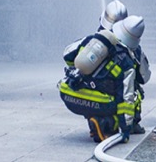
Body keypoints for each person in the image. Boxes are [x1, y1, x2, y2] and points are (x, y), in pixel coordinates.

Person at [58, 15, 142, 143]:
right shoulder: (126, 61)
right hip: (97, 102)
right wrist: (125, 129)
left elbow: (67, 55)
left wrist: (81, 70)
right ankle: (104, 123)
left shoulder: (92, 40)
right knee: (134, 96)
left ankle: (93, 118)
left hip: (68, 93)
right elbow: (126, 99)